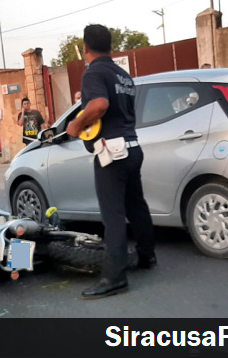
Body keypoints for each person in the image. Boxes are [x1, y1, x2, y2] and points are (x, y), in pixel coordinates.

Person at [66, 24, 156, 300]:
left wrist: (76, 123)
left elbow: (101, 105)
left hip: (112, 152)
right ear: (110, 46)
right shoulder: (123, 75)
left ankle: (114, 278)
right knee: (136, 205)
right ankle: (146, 256)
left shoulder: (93, 72)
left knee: (113, 215)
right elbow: (116, 106)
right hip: (132, 147)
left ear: (86, 49)